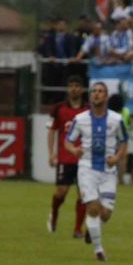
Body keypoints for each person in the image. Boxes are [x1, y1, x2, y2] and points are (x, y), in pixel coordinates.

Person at [64, 82, 129, 262]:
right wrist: (73, 150)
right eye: (94, 91)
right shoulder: (80, 119)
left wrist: (117, 158)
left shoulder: (116, 119)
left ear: (106, 96)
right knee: (93, 207)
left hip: (108, 170)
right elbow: (68, 141)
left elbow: (124, 142)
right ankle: (98, 251)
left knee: (105, 214)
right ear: (90, 96)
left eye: (100, 91)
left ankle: (92, 229)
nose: (97, 94)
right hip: (87, 168)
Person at [46, 75, 89, 238]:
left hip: (84, 159)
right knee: (61, 192)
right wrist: (51, 154)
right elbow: (52, 130)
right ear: (68, 88)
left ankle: (77, 229)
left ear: (82, 89)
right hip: (65, 157)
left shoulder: (88, 109)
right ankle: (54, 211)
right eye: (71, 86)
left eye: (77, 86)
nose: (74, 89)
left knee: (83, 194)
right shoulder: (59, 108)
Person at [107, 93, 132, 185]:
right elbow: (129, 122)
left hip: (111, 136)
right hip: (123, 137)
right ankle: (121, 180)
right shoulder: (126, 111)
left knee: (109, 156)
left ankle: (108, 178)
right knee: (122, 158)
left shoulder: (108, 112)